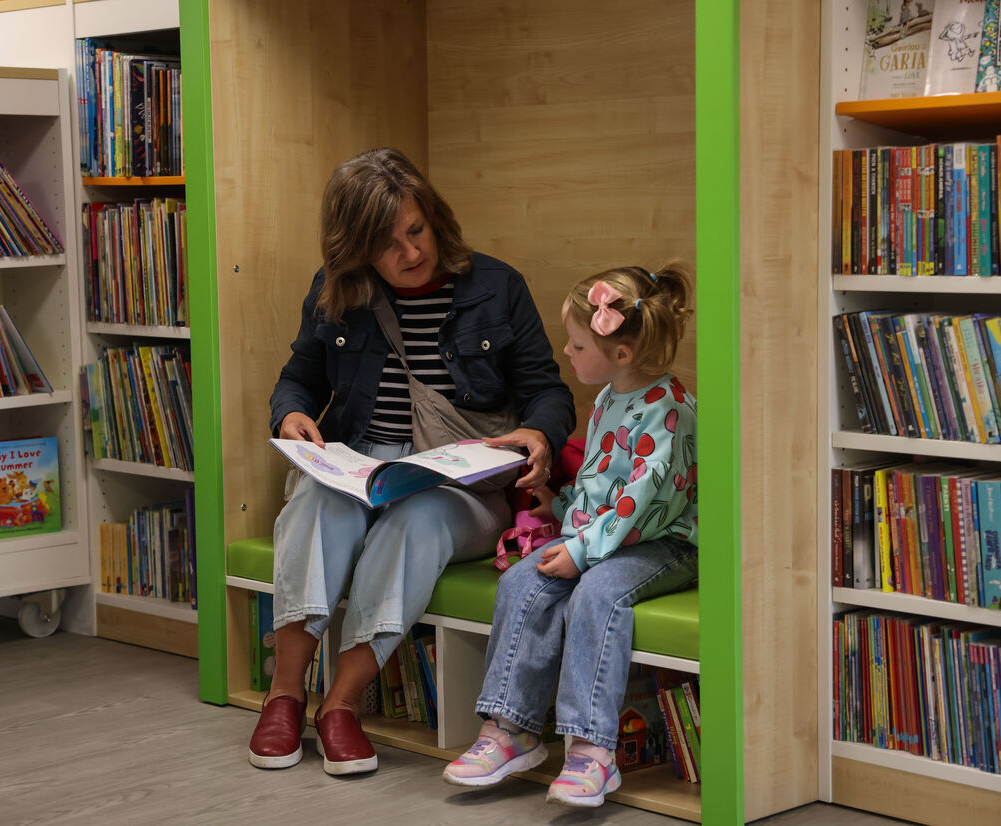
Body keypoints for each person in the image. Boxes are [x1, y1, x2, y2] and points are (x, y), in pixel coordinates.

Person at [249, 147, 576, 776]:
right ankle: (284, 695)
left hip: (461, 484)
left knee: (414, 521)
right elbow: (298, 379)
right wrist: (289, 415)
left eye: (416, 230)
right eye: (387, 244)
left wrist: (539, 432)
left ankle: (341, 705)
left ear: (433, 217)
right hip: (361, 466)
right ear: (356, 250)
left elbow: (547, 390)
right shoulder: (336, 290)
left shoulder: (497, 287)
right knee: (313, 504)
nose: (411, 252)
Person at [442, 264, 699, 807]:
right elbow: (601, 480)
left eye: (578, 345)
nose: (566, 351)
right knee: (520, 583)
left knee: (596, 595)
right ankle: (510, 729)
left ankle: (591, 749)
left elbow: (641, 502)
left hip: (665, 543)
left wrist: (581, 550)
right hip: (606, 539)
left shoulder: (669, 409)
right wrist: (559, 507)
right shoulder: (607, 398)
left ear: (621, 352)